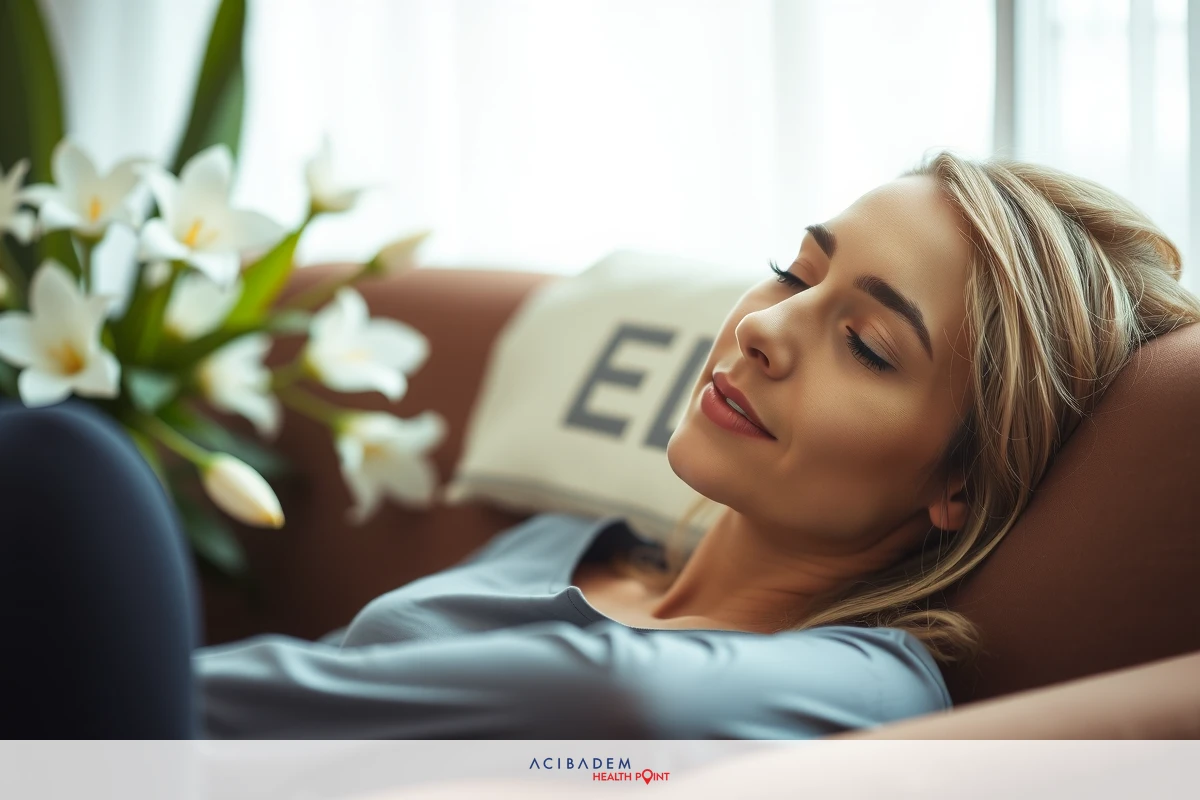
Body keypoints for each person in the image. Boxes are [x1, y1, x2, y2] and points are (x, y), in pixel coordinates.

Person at [1, 150, 1196, 739]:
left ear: (957, 482)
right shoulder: (557, 542)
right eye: (794, 269)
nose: (770, 327)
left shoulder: (865, 688)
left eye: (869, 344)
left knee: (78, 480)